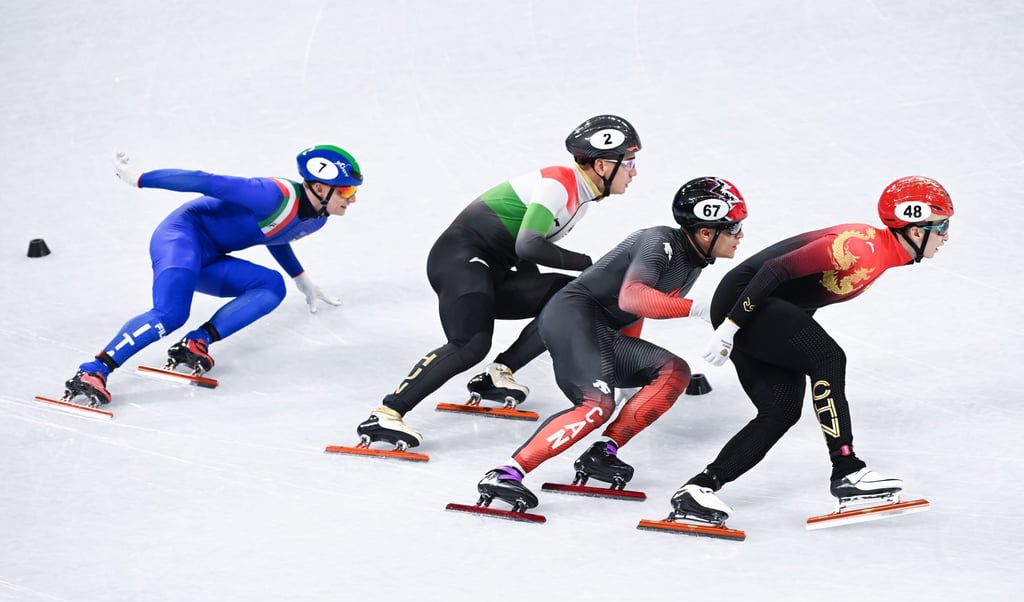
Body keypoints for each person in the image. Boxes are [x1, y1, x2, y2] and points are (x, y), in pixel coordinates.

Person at [668, 176, 954, 524]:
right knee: (829, 358)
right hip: (744, 304)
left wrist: (787, 336)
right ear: (914, 227)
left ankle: (699, 488)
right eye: (941, 227)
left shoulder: (882, 256)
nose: (946, 237)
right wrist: (730, 328)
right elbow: (778, 268)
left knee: (782, 410)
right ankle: (847, 469)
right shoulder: (862, 245)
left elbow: (802, 294)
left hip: (757, 309)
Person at [357, 115, 642, 449]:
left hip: (494, 269)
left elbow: (522, 255)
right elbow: (529, 244)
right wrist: (589, 265)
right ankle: (387, 411)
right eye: (630, 162)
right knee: (469, 343)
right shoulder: (559, 183)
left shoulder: (581, 199)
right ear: (602, 165)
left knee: (567, 300)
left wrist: (552, 301)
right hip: (460, 261)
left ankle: (498, 373)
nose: (634, 172)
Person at [475, 177, 748, 511]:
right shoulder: (659, 241)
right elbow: (633, 298)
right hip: (572, 317)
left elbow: (631, 313)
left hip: (601, 330)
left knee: (674, 372)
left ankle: (601, 453)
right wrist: (701, 310)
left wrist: (625, 373)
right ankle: (505, 473)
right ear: (706, 232)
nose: (740, 236)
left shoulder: (693, 260)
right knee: (595, 406)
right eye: (734, 228)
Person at [62, 145, 361, 406]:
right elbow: (205, 181)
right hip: (180, 239)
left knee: (271, 286)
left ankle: (195, 343)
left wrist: (300, 277)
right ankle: (94, 370)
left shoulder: (318, 218)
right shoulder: (270, 194)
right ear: (320, 188)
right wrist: (138, 178)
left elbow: (278, 234)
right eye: (347, 191)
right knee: (170, 314)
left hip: (209, 256)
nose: (353, 199)